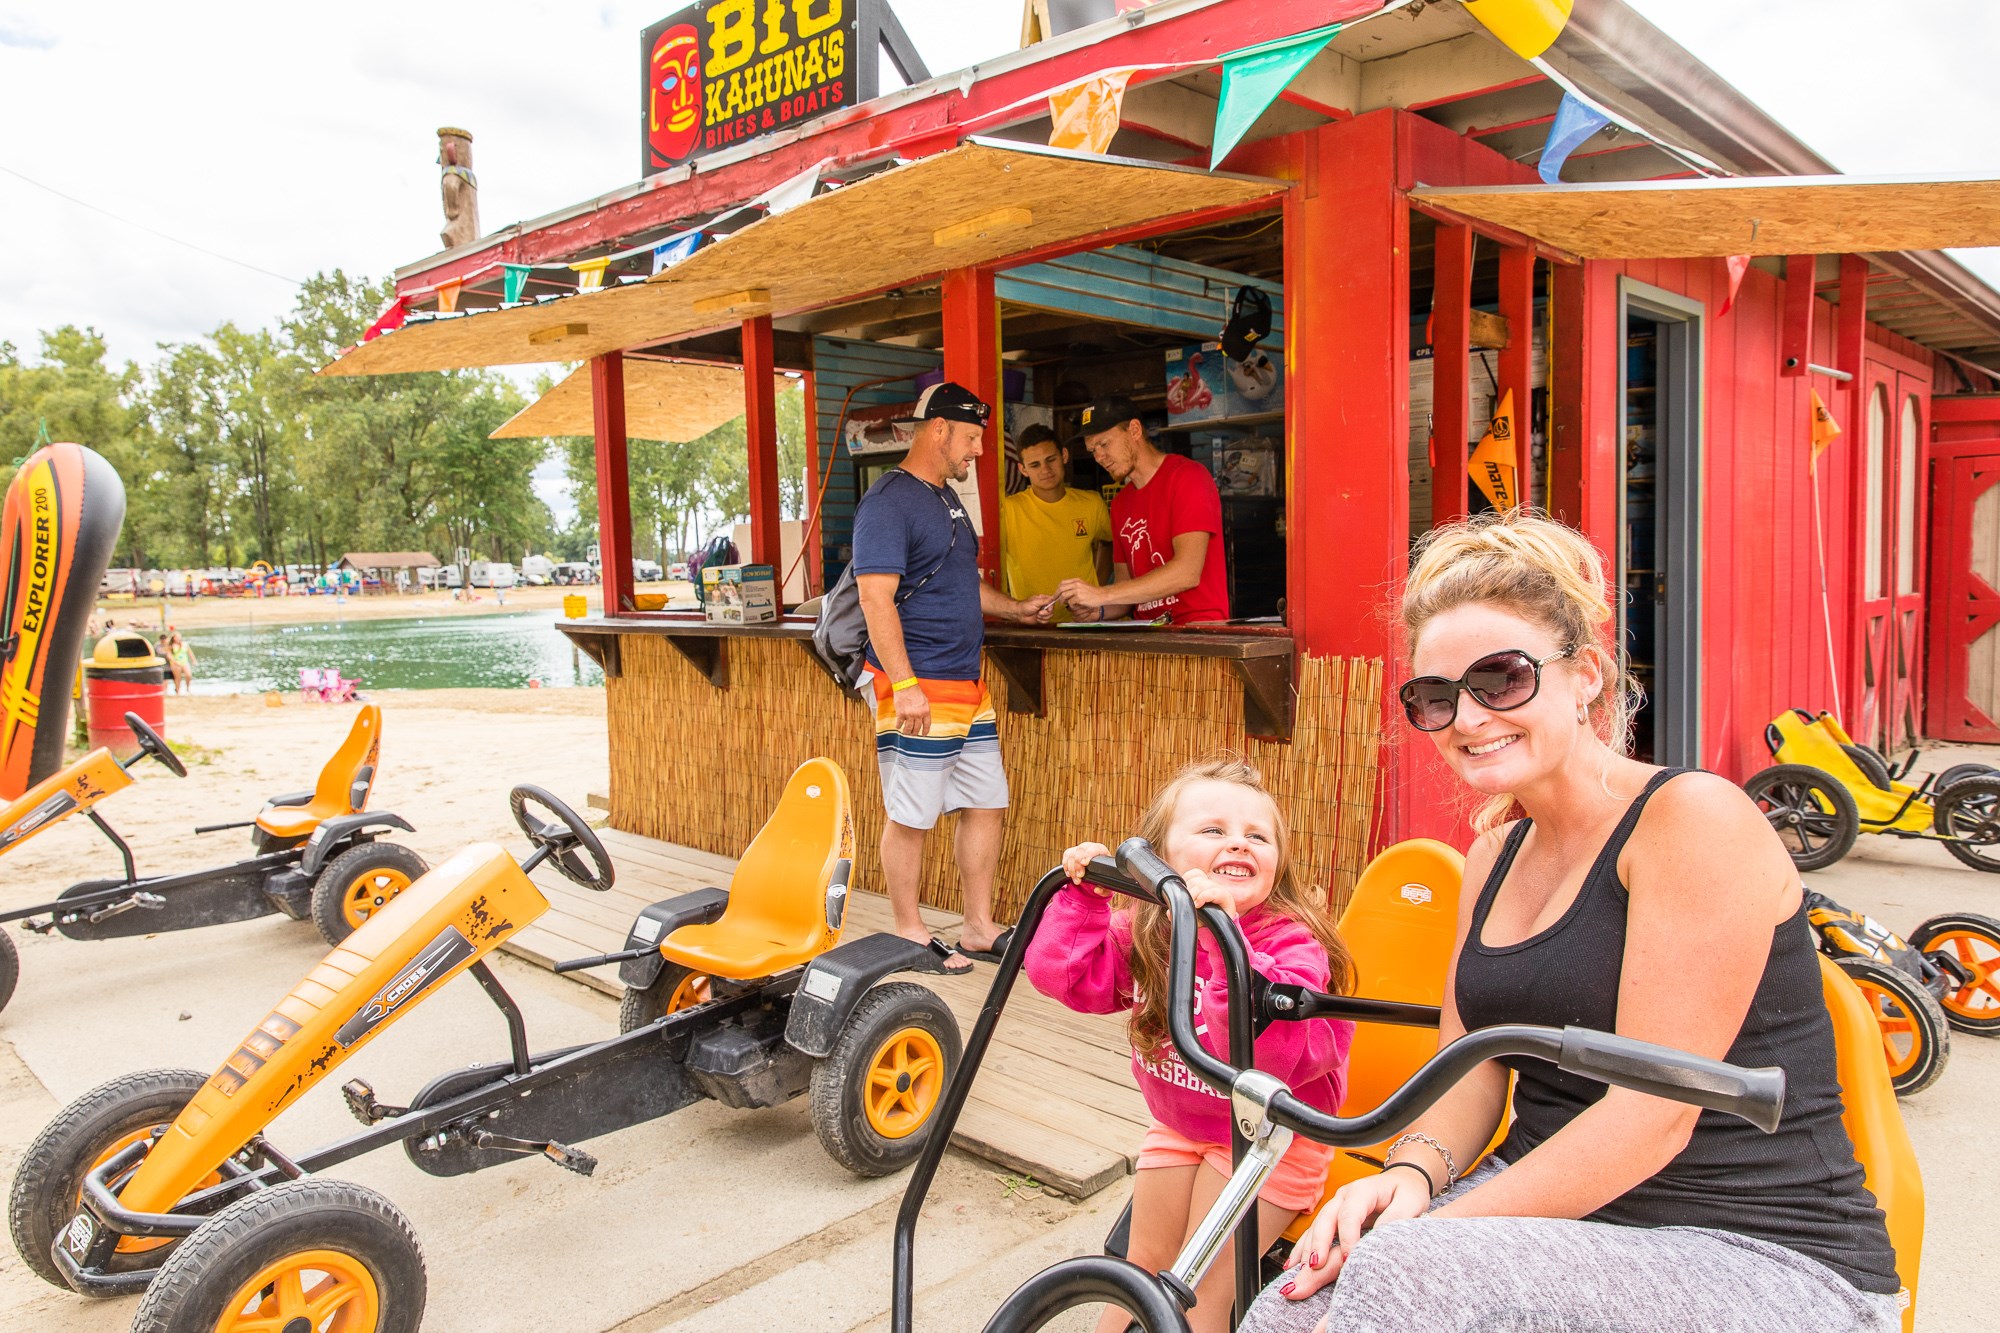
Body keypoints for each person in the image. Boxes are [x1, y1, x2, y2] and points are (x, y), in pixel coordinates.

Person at [1242, 510, 1899, 1333]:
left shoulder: (1692, 820)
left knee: (1399, 1279)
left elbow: (1649, 1118)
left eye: (1503, 678)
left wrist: (1422, 1237)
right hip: (1559, 1219)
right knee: (1290, 1302)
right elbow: (1468, 1073)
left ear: (1585, 672)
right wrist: (1407, 1176)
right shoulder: (1491, 858)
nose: (1469, 718)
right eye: (1435, 696)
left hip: (1759, 1247)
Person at [1028, 755, 1353, 1333]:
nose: (1238, 844)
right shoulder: (1153, 926)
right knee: (1140, 1269)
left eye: (1258, 835)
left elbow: (1262, 1055)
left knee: (1198, 1297)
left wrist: (1222, 938)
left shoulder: (1294, 946)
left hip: (1269, 1136)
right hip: (1184, 1122)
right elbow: (1066, 978)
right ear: (1156, 854)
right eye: (1213, 830)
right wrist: (1085, 899)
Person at [852, 381, 1052, 975]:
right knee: (911, 814)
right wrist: (905, 682)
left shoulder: (948, 498)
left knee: (986, 803)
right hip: (919, 682)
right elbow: (875, 597)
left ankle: (977, 926)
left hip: (966, 680)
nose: (978, 452)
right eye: (970, 438)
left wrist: (1015, 608)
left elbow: (961, 583)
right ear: (937, 430)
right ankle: (910, 933)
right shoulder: (888, 500)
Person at [1056, 396, 1229, 624]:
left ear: (1135, 430)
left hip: (1197, 633)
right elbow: (1125, 594)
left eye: (1104, 444)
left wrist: (1101, 594)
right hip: (1147, 637)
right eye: (1092, 450)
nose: (1099, 457)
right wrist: (1098, 611)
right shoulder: (1119, 504)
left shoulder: (1187, 477)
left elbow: (1187, 572)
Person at [998, 424, 1111, 621]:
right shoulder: (1008, 510)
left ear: (1064, 456)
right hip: (1034, 624)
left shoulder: (1092, 503)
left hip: (1085, 623)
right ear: (1022, 469)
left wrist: (1096, 590)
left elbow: (1110, 543)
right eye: (1035, 465)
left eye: (1051, 460)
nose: (1046, 470)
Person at [162, 629, 196, 695]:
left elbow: (190, 653)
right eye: (177, 637)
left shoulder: (184, 644)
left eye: (179, 637)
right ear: (173, 638)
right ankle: (178, 691)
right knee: (178, 678)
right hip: (175, 663)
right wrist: (175, 662)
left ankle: (187, 689)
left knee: (188, 675)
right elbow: (169, 655)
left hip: (184, 662)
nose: (178, 638)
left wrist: (193, 660)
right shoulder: (171, 646)